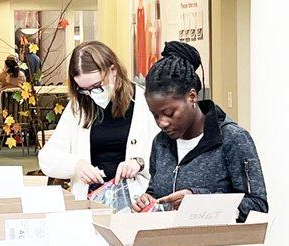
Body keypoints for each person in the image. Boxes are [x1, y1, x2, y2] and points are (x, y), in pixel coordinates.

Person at [132, 41, 268, 221]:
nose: (162, 123)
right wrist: (148, 200)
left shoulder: (232, 139)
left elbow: (258, 206)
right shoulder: (160, 143)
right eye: (155, 115)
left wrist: (199, 201)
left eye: (169, 113)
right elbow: (156, 190)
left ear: (192, 97)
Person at [38, 41, 160, 200]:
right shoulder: (79, 106)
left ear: (113, 70)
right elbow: (48, 157)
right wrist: (76, 165)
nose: (92, 94)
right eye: (84, 89)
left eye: (97, 86)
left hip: (136, 197)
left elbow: (165, 155)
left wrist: (139, 163)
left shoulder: (143, 103)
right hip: (91, 198)